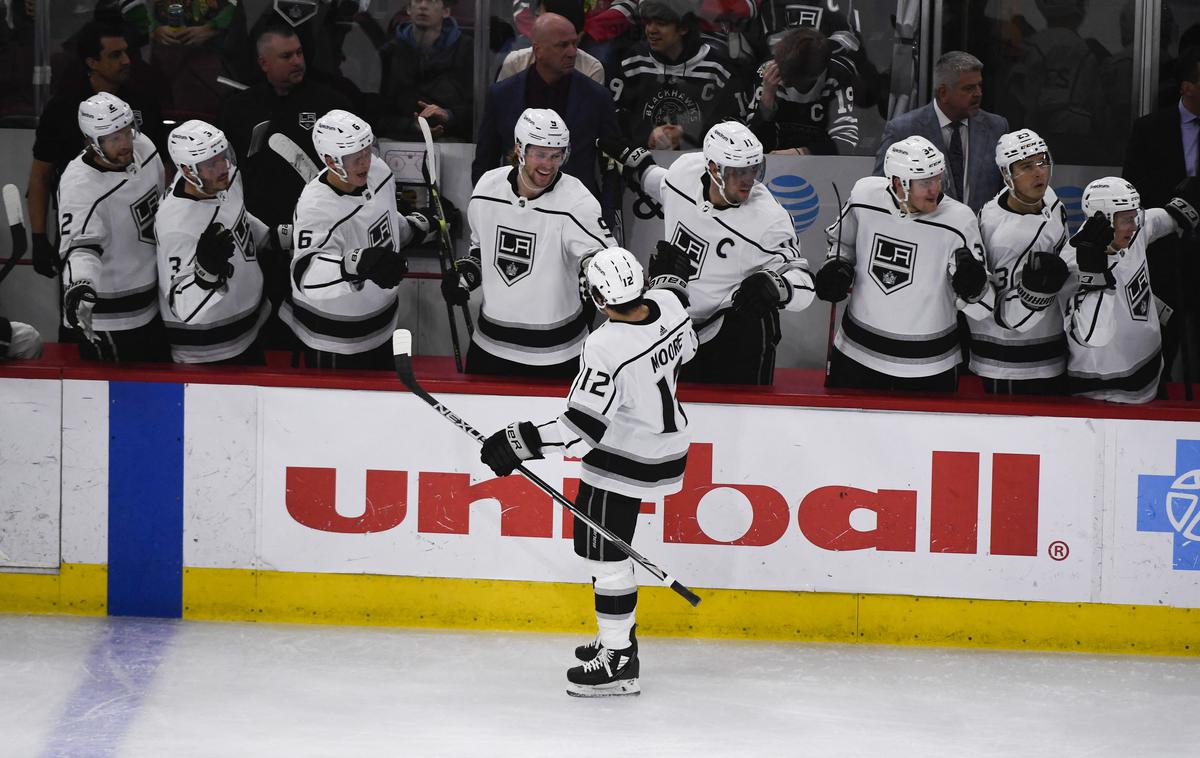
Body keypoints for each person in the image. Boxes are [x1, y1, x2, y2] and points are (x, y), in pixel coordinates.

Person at [478, 246, 697, 698]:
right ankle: (616, 632)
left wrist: (517, 442)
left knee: (604, 557)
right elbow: (687, 345)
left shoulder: (604, 345)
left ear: (598, 296)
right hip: (665, 449)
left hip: (621, 461)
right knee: (604, 550)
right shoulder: (671, 304)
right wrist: (670, 285)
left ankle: (618, 661)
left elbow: (579, 431)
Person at [599, 120, 817, 385]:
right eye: (739, 172)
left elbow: (805, 285)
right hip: (678, 325)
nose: (749, 180)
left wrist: (778, 285)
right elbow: (662, 185)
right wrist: (638, 165)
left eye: (753, 169)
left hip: (736, 332)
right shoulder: (685, 171)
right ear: (713, 169)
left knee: (743, 417)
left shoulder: (770, 220)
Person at [443, 108, 616, 378]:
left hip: (558, 355)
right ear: (519, 149)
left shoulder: (577, 201)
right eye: (540, 154)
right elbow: (480, 248)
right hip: (490, 348)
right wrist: (468, 272)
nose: (548, 165)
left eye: (556, 155)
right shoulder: (487, 188)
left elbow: (605, 259)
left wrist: (595, 272)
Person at [815, 135, 991, 391]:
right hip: (856, 354)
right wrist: (837, 265)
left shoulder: (959, 220)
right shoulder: (865, 196)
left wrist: (973, 288)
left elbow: (984, 307)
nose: (936, 189)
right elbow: (843, 243)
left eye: (938, 179)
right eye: (926, 182)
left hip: (930, 366)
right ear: (899, 182)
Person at [219, 20, 353, 348]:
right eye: (286, 56)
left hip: (315, 238)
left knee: (312, 329)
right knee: (262, 330)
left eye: (299, 53)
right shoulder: (238, 109)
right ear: (263, 63)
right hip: (258, 239)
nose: (297, 61)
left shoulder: (331, 105)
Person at [279, 109, 434, 370]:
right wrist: (356, 265)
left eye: (366, 150)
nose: (365, 162)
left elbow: (382, 224)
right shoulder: (316, 207)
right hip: (333, 339)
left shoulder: (379, 170)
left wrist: (419, 226)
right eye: (354, 156)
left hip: (382, 327)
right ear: (330, 160)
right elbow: (305, 274)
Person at [26, 22, 164, 282]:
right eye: (115, 55)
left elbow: (163, 165)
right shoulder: (62, 109)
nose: (126, 60)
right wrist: (39, 236)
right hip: (85, 227)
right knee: (82, 304)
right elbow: (40, 176)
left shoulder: (143, 101)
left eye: (126, 52)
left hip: (141, 231)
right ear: (92, 62)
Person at [155, 120, 283, 364]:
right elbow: (184, 307)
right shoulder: (177, 227)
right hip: (209, 352)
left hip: (248, 330)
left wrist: (271, 236)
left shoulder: (223, 180)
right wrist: (204, 276)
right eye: (210, 163)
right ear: (188, 170)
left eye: (222, 156)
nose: (222, 166)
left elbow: (236, 218)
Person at [1062, 177, 1200, 403]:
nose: (1135, 225)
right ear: (1103, 219)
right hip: (1106, 395)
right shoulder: (1073, 266)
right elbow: (1093, 335)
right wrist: (1096, 278)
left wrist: (1178, 213)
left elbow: (1153, 222)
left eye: (1135, 215)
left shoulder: (1129, 231)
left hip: (1151, 377)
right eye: (1127, 219)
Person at [58, 92, 168, 362]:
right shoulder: (80, 186)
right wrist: (81, 285)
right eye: (113, 138)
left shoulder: (143, 146)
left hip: (153, 300)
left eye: (127, 132)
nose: (125, 144)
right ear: (92, 142)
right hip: (110, 318)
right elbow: (81, 248)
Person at [472, 12, 620, 200]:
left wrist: (607, 216)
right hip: (515, 209)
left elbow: (612, 165)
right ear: (538, 50)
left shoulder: (597, 97)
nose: (572, 52)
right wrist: (484, 206)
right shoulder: (501, 95)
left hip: (577, 210)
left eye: (575, 43)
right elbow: (485, 162)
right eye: (562, 45)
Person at [969, 129, 1072, 394]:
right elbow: (1006, 316)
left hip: (1049, 352)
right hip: (1010, 364)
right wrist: (1032, 295)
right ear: (1007, 175)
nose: (1039, 172)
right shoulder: (1005, 236)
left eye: (1042, 161)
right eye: (1027, 166)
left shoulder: (1048, 198)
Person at [1122, 47, 1200, 386]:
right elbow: (1132, 189)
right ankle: (1158, 398)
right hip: (1164, 250)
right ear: (1187, 87)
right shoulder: (1151, 128)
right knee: (1163, 334)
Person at [873, 51, 1008, 214]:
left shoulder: (997, 127)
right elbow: (883, 194)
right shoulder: (903, 130)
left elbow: (1007, 192)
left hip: (980, 235)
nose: (978, 93)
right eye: (969, 88)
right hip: (925, 235)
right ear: (943, 93)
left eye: (980, 85)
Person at [610, 0, 748, 151]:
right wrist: (645, 140)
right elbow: (613, 118)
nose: (651, 30)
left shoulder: (718, 68)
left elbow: (737, 126)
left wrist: (687, 132)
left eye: (661, 23)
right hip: (643, 163)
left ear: (683, 27)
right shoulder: (633, 61)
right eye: (648, 22)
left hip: (700, 163)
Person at [747, 26, 858, 155]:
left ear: (815, 76)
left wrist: (802, 152)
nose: (784, 81)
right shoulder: (767, 74)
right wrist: (766, 102)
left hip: (825, 164)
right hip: (774, 161)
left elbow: (846, 141)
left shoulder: (838, 76)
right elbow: (750, 143)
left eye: (792, 79)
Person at [378, 0, 474, 141]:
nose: (423, 6)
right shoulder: (389, 53)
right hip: (399, 139)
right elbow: (377, 110)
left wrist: (450, 115)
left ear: (446, 11)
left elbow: (478, 108)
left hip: (452, 138)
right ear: (408, 9)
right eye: (417, 1)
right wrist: (411, 126)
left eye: (432, 1)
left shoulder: (467, 50)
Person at [497, 0, 606, 85]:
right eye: (537, 16)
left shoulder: (591, 69)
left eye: (541, 18)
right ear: (537, 50)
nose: (572, 53)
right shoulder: (515, 63)